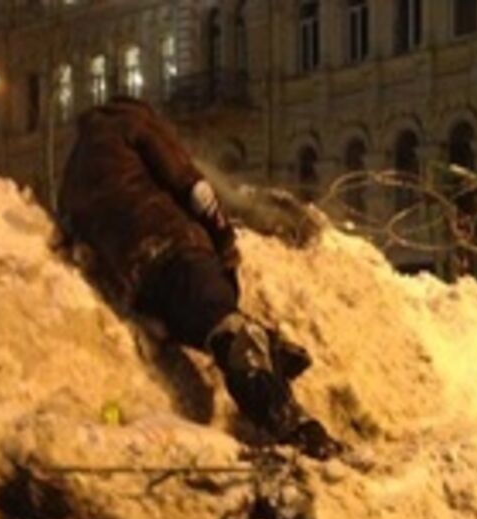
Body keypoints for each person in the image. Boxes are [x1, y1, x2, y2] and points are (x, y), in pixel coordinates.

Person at [57, 97, 339, 458]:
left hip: (142, 284)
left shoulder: (71, 178)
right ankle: (297, 429)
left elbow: (76, 246)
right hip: (177, 249)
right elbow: (195, 188)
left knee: (215, 329)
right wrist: (224, 242)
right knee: (232, 338)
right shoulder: (132, 121)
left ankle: (272, 347)